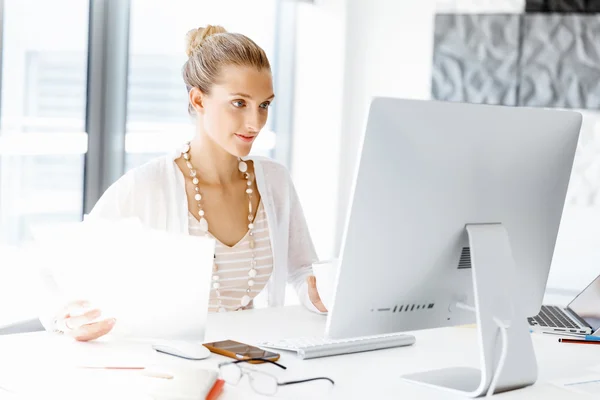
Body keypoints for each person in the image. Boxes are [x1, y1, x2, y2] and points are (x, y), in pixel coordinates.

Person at [44, 25, 327, 341]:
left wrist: (323, 295)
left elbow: (303, 272)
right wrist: (66, 320)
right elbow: (55, 271)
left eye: (264, 105)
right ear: (198, 100)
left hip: (250, 360)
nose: (255, 122)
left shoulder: (274, 181)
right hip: (170, 367)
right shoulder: (148, 185)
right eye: (239, 103)